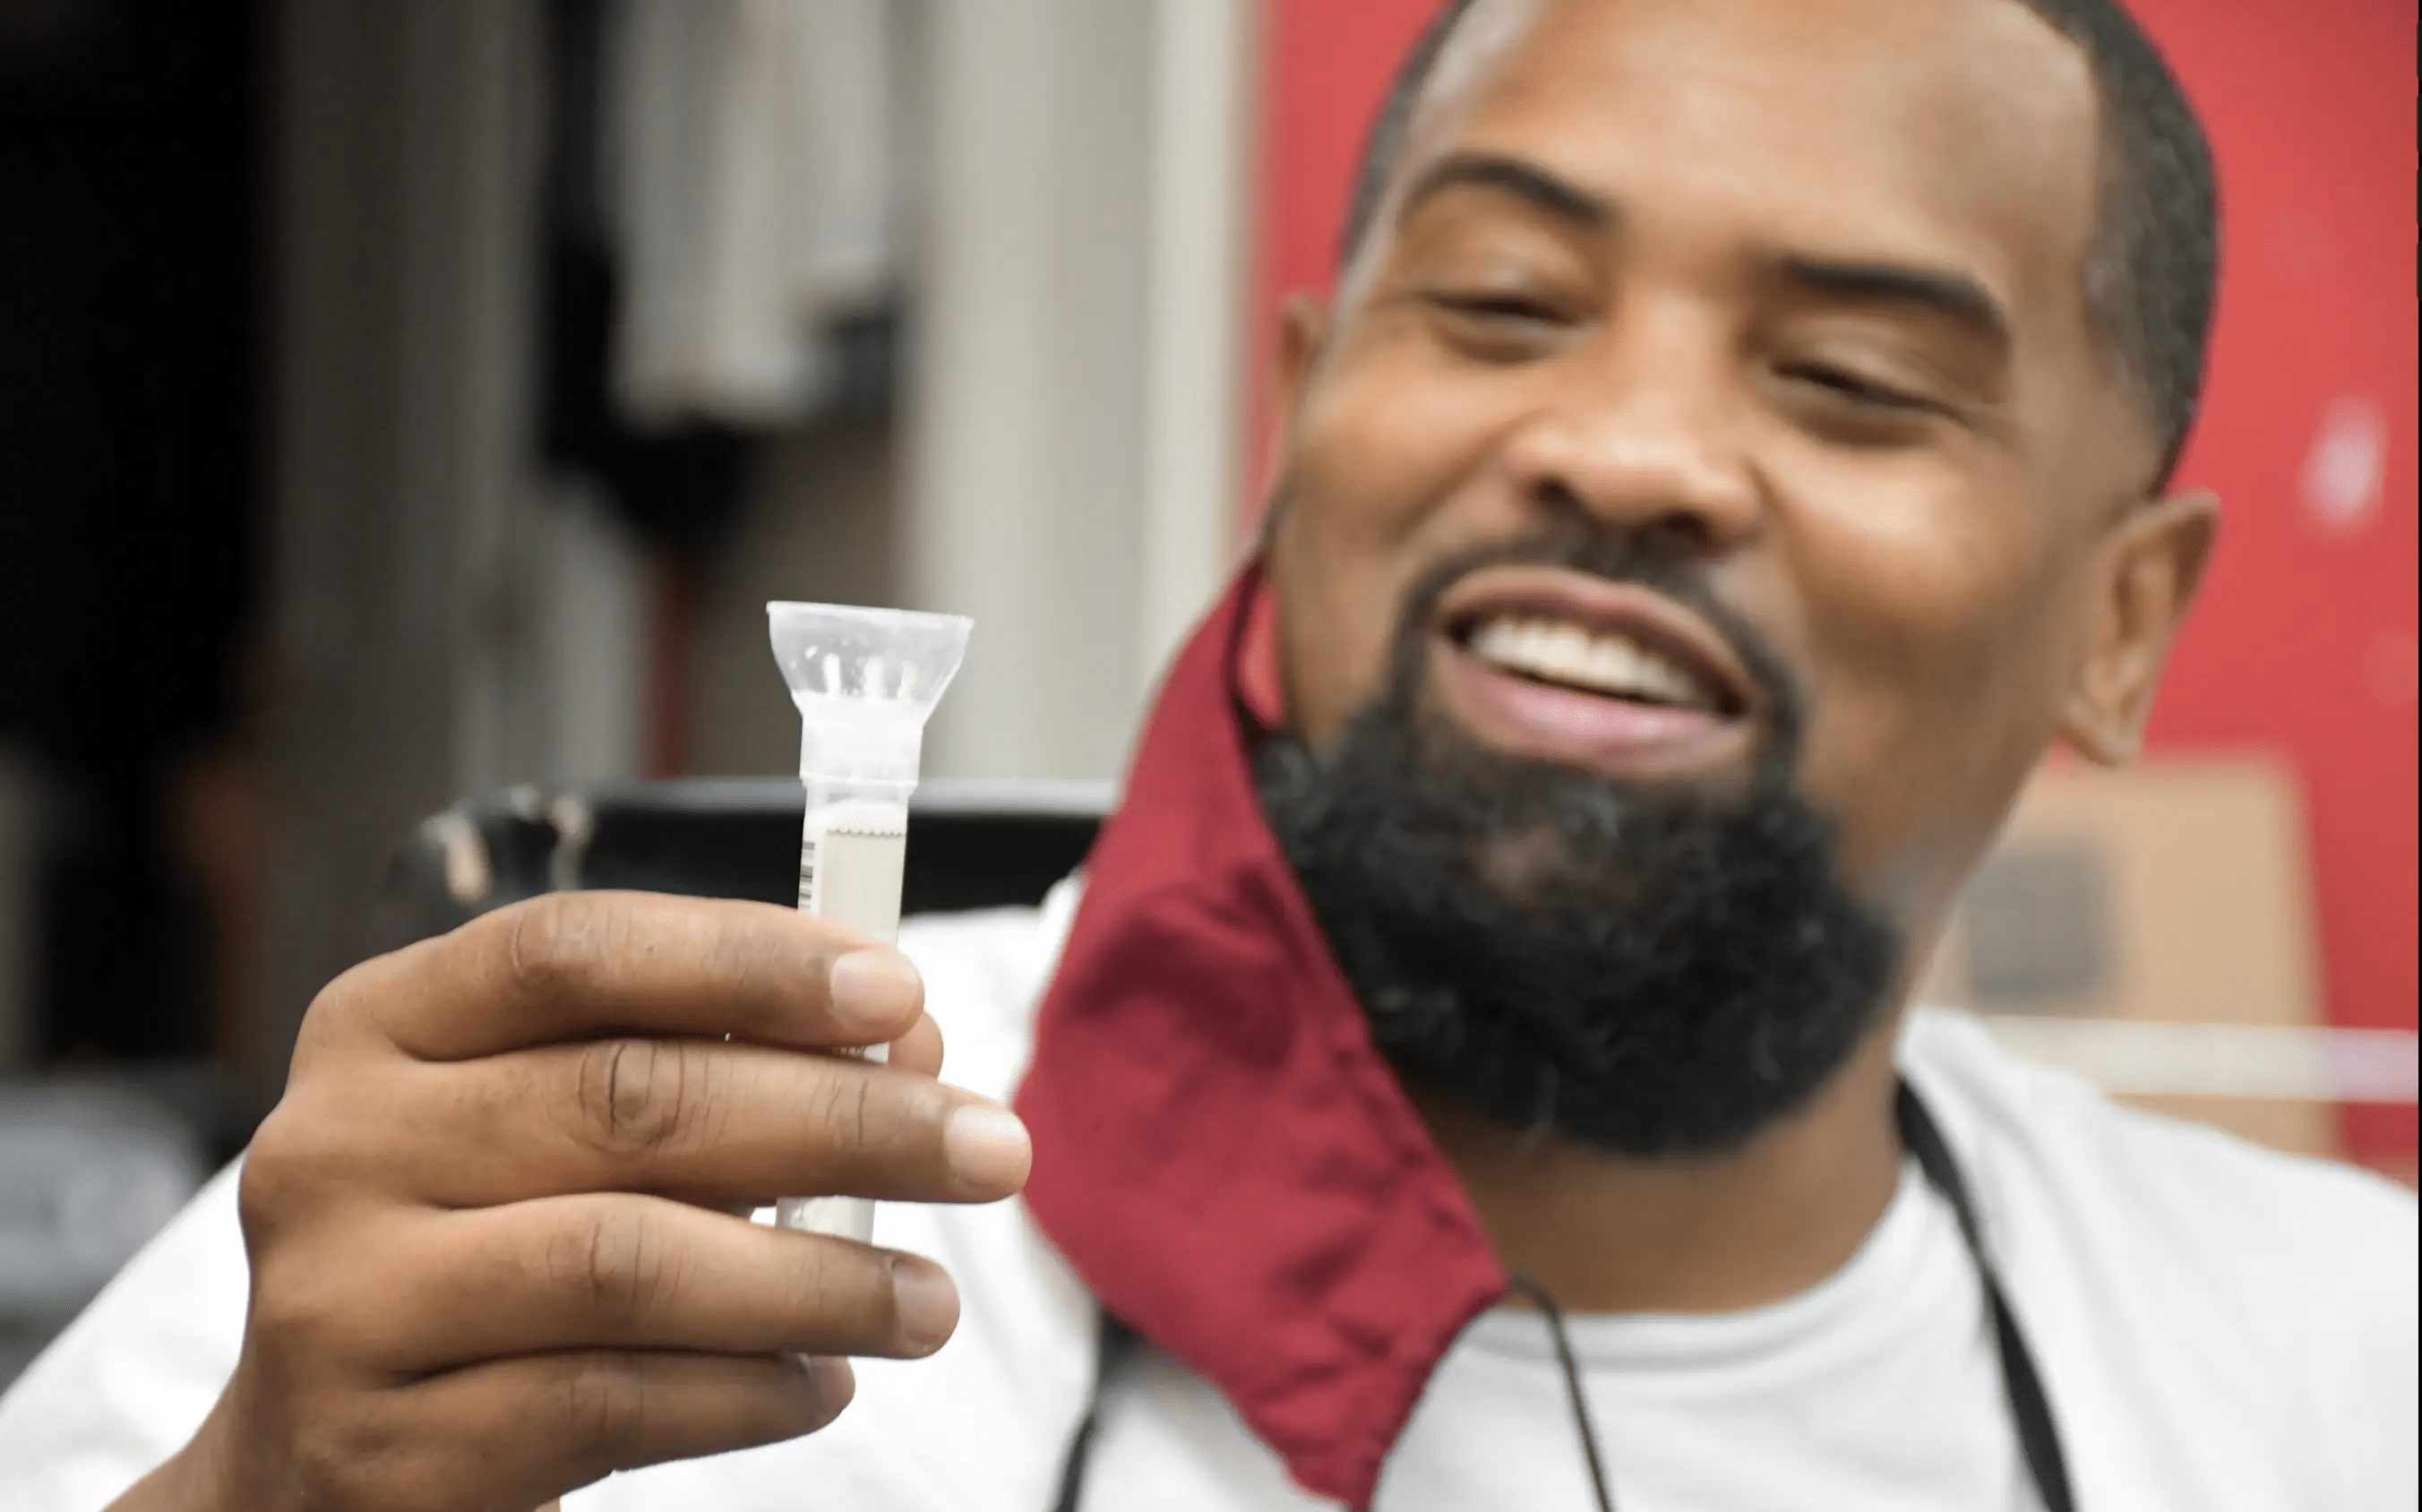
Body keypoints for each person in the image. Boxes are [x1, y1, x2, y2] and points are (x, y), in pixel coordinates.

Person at [4, 0, 2414, 1507]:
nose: (1626, 447)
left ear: (2123, 619)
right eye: (1497, 302)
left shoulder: (2334, 1369)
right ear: (1298, 411)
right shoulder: (572, 1250)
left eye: (1853, 378)